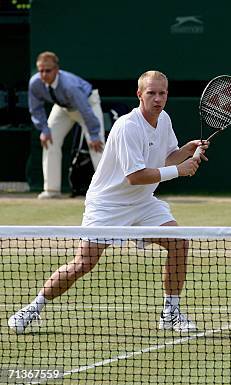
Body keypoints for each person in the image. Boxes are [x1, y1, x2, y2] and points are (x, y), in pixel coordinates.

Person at [9, 70, 208, 333]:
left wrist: (186, 152)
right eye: (151, 93)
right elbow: (136, 176)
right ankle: (33, 308)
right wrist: (180, 170)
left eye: (162, 93)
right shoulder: (128, 126)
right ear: (140, 94)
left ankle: (170, 313)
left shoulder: (165, 120)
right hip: (107, 204)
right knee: (83, 264)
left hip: (142, 203)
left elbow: (167, 157)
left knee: (179, 243)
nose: (157, 99)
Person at [28, 51, 105, 199]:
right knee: (49, 139)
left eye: (48, 71)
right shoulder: (35, 83)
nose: (43, 74)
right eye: (41, 71)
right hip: (62, 107)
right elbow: (36, 109)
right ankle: (51, 190)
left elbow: (85, 110)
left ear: (56, 70)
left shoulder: (70, 86)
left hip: (88, 104)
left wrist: (94, 134)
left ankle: (108, 192)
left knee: (96, 144)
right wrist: (44, 129)